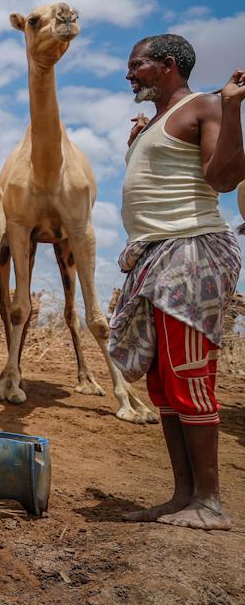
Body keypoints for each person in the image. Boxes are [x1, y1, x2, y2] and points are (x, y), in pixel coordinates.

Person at [110, 34, 245, 531]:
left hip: (191, 253)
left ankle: (209, 503)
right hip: (157, 257)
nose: (129, 74)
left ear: (167, 65)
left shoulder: (205, 105)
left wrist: (230, 111)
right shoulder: (160, 121)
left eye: (137, 65)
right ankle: (183, 495)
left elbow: (224, 178)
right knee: (163, 383)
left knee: (189, 375)